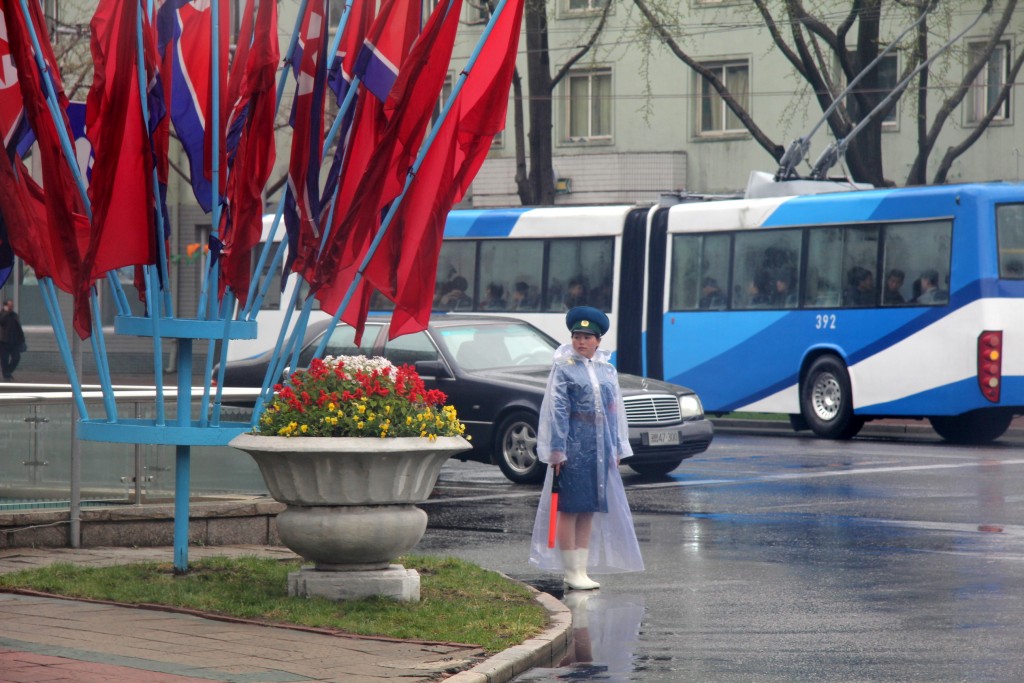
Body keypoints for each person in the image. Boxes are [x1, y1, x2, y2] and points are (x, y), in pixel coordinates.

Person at [530, 306, 644, 590]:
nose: (581, 341)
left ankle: (581, 569)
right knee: (570, 508)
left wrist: (617, 446)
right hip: (574, 446)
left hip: (600, 447)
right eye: (576, 336)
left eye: (587, 337)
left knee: (589, 508)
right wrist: (557, 450)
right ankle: (571, 570)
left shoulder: (607, 371)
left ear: (598, 341)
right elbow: (556, 410)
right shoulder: (564, 369)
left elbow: (614, 410)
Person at [0, 299, 25, 381]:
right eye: (9, 305)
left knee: (16, 358)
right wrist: (6, 312)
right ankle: (6, 375)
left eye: (12, 305)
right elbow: (2, 322)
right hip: (4, 342)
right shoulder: (2, 314)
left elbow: (19, 328)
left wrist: (22, 340)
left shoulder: (14, 315)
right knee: (4, 360)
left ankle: (8, 372)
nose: (11, 307)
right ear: (5, 306)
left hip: (14, 341)